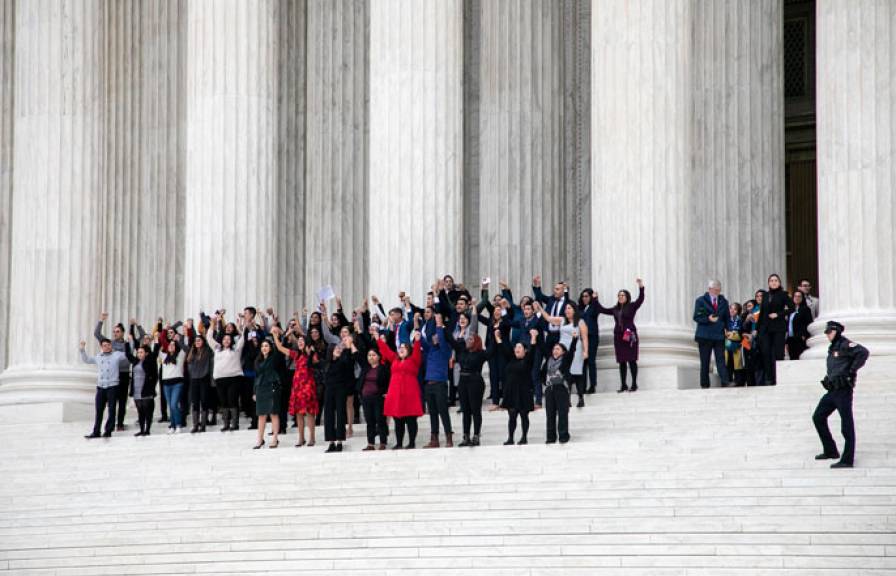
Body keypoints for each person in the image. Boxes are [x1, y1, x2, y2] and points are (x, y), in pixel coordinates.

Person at [812, 321, 869, 469]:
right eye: (826, 332)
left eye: (829, 332)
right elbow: (836, 366)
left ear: (836, 331)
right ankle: (830, 450)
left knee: (846, 425)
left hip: (843, 391)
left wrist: (852, 371)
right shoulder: (833, 348)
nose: (827, 335)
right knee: (818, 417)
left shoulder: (845, 344)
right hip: (832, 391)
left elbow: (863, 352)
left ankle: (847, 460)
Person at [595, 278, 645, 392]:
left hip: (629, 334)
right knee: (622, 361)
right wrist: (595, 299)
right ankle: (623, 385)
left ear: (627, 297)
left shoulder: (632, 306)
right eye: (619, 295)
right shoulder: (614, 309)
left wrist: (641, 286)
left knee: (632, 360)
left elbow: (641, 299)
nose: (621, 297)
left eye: (623, 295)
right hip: (618, 337)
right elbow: (601, 309)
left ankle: (634, 384)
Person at [537, 301, 589, 407]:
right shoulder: (562, 320)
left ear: (574, 310)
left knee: (577, 373)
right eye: (566, 308)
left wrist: (585, 351)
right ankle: (567, 399)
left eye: (569, 308)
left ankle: (580, 398)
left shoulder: (580, 322)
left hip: (576, 350)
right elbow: (549, 318)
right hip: (563, 349)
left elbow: (584, 337)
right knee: (565, 373)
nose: (567, 310)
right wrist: (540, 309)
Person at [378, 330, 424, 449]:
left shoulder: (413, 360)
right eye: (400, 347)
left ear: (409, 350)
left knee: (411, 420)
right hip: (396, 394)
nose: (401, 349)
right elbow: (386, 351)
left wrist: (417, 341)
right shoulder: (394, 359)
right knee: (398, 420)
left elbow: (417, 352)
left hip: (410, 394)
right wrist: (379, 340)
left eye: (404, 347)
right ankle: (399, 443)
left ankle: (412, 442)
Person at [273, 331, 318, 447]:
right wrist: (274, 335)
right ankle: (301, 438)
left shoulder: (311, 354)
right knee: (298, 413)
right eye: (299, 342)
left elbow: (317, 363)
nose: (300, 343)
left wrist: (311, 352)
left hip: (308, 384)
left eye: (302, 341)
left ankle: (312, 438)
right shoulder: (295, 354)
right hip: (297, 385)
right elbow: (279, 347)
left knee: (309, 412)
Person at [450, 329, 493, 447]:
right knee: (466, 411)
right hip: (463, 382)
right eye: (468, 339)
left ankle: (476, 435)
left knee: (475, 410)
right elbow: (453, 342)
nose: (468, 341)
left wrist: (495, 336)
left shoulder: (481, 353)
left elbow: (491, 351)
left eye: (471, 339)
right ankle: (466, 436)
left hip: (475, 381)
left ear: (476, 342)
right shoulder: (463, 351)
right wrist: (445, 328)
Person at [496, 328, 538, 445]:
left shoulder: (527, 360)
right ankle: (510, 438)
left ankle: (524, 437)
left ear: (525, 350)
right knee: (512, 416)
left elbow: (533, 350)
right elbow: (503, 350)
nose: (517, 349)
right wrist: (498, 338)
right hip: (511, 392)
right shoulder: (511, 360)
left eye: (520, 347)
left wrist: (533, 337)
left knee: (524, 415)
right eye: (516, 347)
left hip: (524, 392)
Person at [80, 338, 128, 438]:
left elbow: (128, 354)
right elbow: (87, 360)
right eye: (104, 345)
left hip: (112, 386)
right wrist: (82, 350)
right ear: (101, 347)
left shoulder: (117, 355)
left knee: (112, 410)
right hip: (101, 387)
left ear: (111, 346)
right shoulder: (98, 357)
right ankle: (96, 431)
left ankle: (108, 431)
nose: (107, 347)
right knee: (99, 410)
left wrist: (129, 343)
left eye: (108, 345)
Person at [206, 314, 246, 431]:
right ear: (222, 340)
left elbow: (243, 337)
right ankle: (226, 424)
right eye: (225, 339)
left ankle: (235, 424)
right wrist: (212, 325)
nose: (227, 340)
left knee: (232, 399)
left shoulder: (236, 349)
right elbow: (209, 338)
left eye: (229, 339)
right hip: (220, 379)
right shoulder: (217, 348)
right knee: (223, 402)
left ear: (231, 341)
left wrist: (240, 327)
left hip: (234, 378)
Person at [421, 313, 455, 448]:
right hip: (428, 384)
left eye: (437, 335)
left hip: (440, 384)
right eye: (434, 335)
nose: (435, 337)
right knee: (433, 413)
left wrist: (440, 326)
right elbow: (423, 341)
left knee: (443, 411)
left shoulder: (445, 350)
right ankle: (434, 438)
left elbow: (441, 339)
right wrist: (418, 327)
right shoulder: (430, 351)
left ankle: (448, 436)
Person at [94, 313, 130, 431]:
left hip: (123, 374)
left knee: (122, 401)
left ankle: (120, 423)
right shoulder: (109, 343)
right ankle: (110, 424)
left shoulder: (126, 345)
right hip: (112, 376)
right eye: (114, 331)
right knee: (112, 402)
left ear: (122, 332)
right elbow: (97, 334)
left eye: (118, 331)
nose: (115, 333)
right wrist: (101, 320)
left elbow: (128, 358)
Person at [693, 280, 730, 389]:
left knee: (721, 360)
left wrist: (728, 329)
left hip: (719, 335)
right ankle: (704, 384)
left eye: (718, 290)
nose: (717, 292)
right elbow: (696, 317)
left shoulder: (724, 302)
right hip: (704, 335)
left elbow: (727, 317)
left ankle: (725, 382)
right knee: (705, 361)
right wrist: (707, 319)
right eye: (714, 289)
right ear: (709, 289)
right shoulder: (700, 301)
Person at [354, 341, 390, 451]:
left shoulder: (383, 368)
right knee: (369, 421)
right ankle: (370, 443)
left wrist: (386, 393)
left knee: (380, 420)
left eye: (373, 355)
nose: (371, 357)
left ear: (378, 357)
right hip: (366, 398)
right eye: (369, 355)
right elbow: (357, 356)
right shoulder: (366, 368)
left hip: (378, 398)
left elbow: (388, 381)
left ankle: (383, 442)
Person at [322, 335, 355, 453]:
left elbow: (351, 358)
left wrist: (347, 344)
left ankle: (340, 441)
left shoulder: (343, 361)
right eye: (335, 349)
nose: (338, 350)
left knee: (341, 414)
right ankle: (331, 442)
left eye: (338, 348)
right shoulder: (327, 363)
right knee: (329, 415)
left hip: (341, 389)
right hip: (329, 390)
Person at [123, 334, 160, 436]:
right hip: (136, 390)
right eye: (138, 352)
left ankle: (147, 429)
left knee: (148, 411)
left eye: (141, 352)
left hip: (146, 390)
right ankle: (141, 430)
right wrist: (127, 342)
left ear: (146, 353)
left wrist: (156, 342)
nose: (139, 354)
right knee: (140, 411)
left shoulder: (149, 361)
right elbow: (127, 354)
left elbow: (155, 353)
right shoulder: (135, 361)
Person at [759, 274, 792, 385]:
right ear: (768, 283)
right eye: (771, 280)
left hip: (778, 327)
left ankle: (779, 377)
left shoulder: (783, 294)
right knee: (766, 352)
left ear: (779, 282)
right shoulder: (765, 295)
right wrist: (759, 330)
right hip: (766, 328)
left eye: (776, 280)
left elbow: (792, 308)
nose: (773, 282)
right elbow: (762, 313)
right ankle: (769, 378)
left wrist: (778, 314)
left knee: (778, 353)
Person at [543, 337, 577, 444]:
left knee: (562, 413)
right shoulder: (548, 360)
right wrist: (545, 383)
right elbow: (541, 374)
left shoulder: (565, 360)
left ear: (563, 351)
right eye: (554, 349)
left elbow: (571, 352)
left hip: (561, 388)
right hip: (550, 389)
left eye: (558, 349)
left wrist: (574, 339)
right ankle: (551, 437)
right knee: (550, 414)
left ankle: (563, 435)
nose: (555, 351)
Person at [251, 336, 282, 449]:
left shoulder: (274, 358)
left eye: (266, 346)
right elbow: (257, 377)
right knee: (261, 415)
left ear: (270, 348)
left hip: (272, 387)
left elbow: (279, 349)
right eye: (262, 346)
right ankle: (260, 440)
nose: (264, 348)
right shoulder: (258, 360)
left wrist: (275, 336)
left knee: (273, 413)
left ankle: (275, 438)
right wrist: (254, 392)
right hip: (260, 388)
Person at [159, 338, 188, 433]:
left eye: (173, 344)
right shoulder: (164, 356)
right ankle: (172, 425)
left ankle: (178, 424)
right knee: (170, 406)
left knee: (174, 404)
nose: (171, 346)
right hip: (166, 384)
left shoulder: (180, 355)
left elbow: (186, 348)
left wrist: (178, 340)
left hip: (177, 383)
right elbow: (158, 345)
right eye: (169, 344)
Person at [185, 334, 212, 433]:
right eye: (196, 341)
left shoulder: (207, 351)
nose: (197, 342)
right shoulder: (192, 352)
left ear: (203, 341)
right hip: (194, 379)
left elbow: (210, 341)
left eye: (199, 340)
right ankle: (195, 425)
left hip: (204, 378)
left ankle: (203, 425)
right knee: (195, 402)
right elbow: (188, 363)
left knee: (204, 401)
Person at [578, 289, 600, 394]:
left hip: (592, 337)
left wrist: (595, 299)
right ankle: (582, 386)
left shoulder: (593, 307)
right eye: (583, 296)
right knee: (583, 363)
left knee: (591, 361)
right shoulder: (580, 309)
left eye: (586, 296)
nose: (584, 298)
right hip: (582, 338)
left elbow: (596, 309)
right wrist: (566, 291)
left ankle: (592, 385)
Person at [724, 303, 746, 387]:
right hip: (726, 345)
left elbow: (741, 334)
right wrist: (728, 334)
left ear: (738, 311)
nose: (732, 310)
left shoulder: (740, 320)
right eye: (730, 308)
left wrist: (731, 335)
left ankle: (738, 382)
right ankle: (727, 381)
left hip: (737, 346)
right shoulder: (725, 320)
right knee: (728, 363)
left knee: (737, 364)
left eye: (735, 309)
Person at [786, 290, 812, 360]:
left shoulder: (805, 309)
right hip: (791, 339)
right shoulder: (790, 310)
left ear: (802, 298)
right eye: (795, 296)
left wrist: (804, 335)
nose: (797, 298)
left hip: (800, 338)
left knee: (800, 357)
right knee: (792, 358)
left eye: (799, 296)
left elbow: (809, 323)